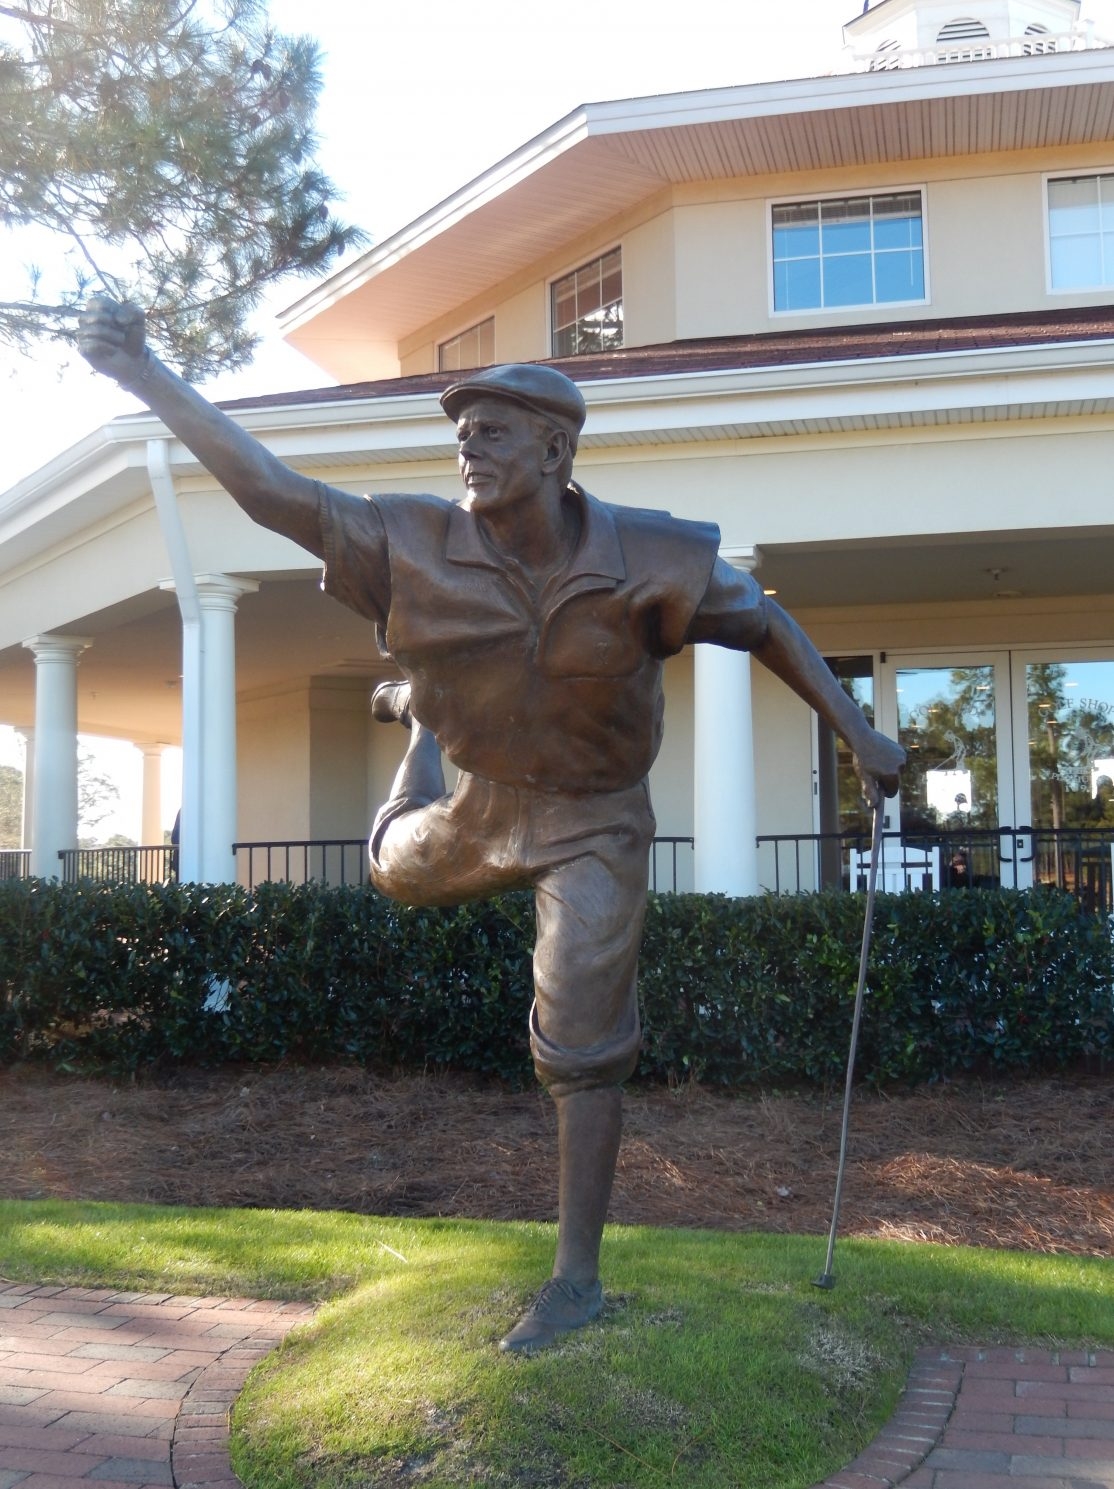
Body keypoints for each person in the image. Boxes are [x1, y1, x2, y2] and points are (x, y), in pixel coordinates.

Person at [77, 297, 904, 1354]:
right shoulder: (409, 539)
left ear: (557, 448)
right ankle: (418, 719)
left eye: (494, 429)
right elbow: (271, 493)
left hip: (593, 816)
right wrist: (149, 376)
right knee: (391, 869)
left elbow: (766, 624)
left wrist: (857, 733)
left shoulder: (650, 557)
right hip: (472, 801)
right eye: (460, 431)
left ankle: (575, 1279)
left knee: (581, 1041)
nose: (468, 444)